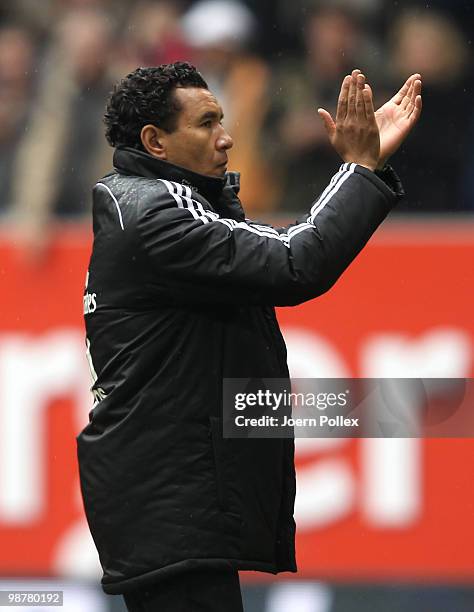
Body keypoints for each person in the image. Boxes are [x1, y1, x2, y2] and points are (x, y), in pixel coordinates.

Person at [77, 62, 421, 611]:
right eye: (207, 122)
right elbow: (294, 263)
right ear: (155, 142)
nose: (227, 135)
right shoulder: (155, 213)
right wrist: (359, 167)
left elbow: (282, 250)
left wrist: (363, 169)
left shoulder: (146, 206)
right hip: (171, 507)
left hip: (163, 505)